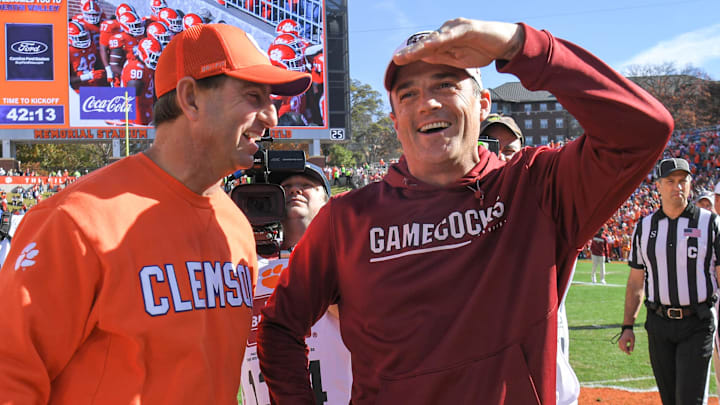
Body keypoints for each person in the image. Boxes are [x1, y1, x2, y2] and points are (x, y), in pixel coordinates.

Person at [257, 18, 673, 404]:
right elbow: (279, 328)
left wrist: (520, 44)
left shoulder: (536, 187)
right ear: (395, 119)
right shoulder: (347, 219)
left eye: (445, 85)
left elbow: (644, 129)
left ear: (482, 104)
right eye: (409, 94)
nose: (428, 104)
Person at [0, 24, 311, 403]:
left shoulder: (235, 225)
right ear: (191, 98)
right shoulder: (76, 219)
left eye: (272, 101)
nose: (271, 118)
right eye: (252, 96)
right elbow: (10, 375)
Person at [241, 163, 352, 405]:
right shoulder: (246, 263)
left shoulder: (345, 257)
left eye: (305, 185)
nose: (294, 191)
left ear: (326, 201)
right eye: (286, 187)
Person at [618, 158, 720, 405]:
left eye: (683, 181)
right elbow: (635, 282)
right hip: (659, 323)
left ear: (690, 184)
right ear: (659, 186)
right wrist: (627, 326)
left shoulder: (710, 223)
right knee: (670, 400)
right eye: (670, 181)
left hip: (697, 321)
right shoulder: (644, 227)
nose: (677, 187)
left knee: (689, 400)